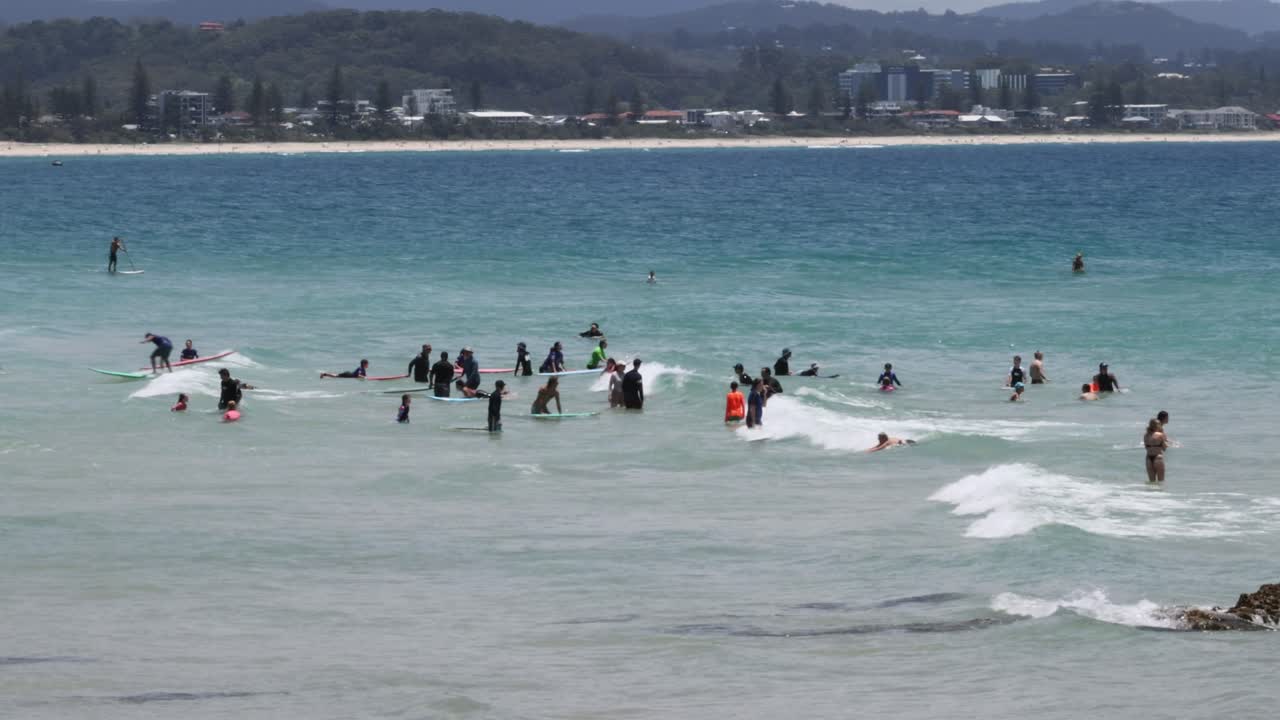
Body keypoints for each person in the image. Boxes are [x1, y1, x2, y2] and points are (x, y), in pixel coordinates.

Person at [1144, 418, 1168, 483]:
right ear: (1157, 425)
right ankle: (1159, 493)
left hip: (1148, 458)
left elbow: (1146, 447)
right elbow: (1164, 448)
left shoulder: (1146, 435)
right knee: (1161, 481)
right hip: (1158, 457)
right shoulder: (1160, 435)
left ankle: (1151, 493)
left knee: (1151, 482)